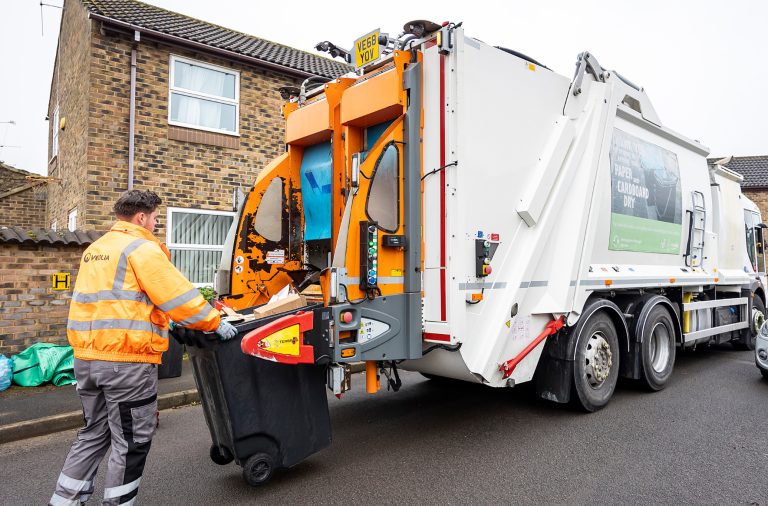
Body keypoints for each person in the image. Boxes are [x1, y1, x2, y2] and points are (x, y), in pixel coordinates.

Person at [49, 190, 238, 506]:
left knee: (93, 434)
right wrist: (213, 321)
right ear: (141, 217)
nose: (154, 224)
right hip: (126, 363)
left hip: (85, 360)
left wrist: (166, 321)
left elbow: (121, 304)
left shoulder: (96, 250)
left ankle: (64, 501)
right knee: (132, 441)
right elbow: (177, 296)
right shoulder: (141, 248)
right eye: (154, 218)